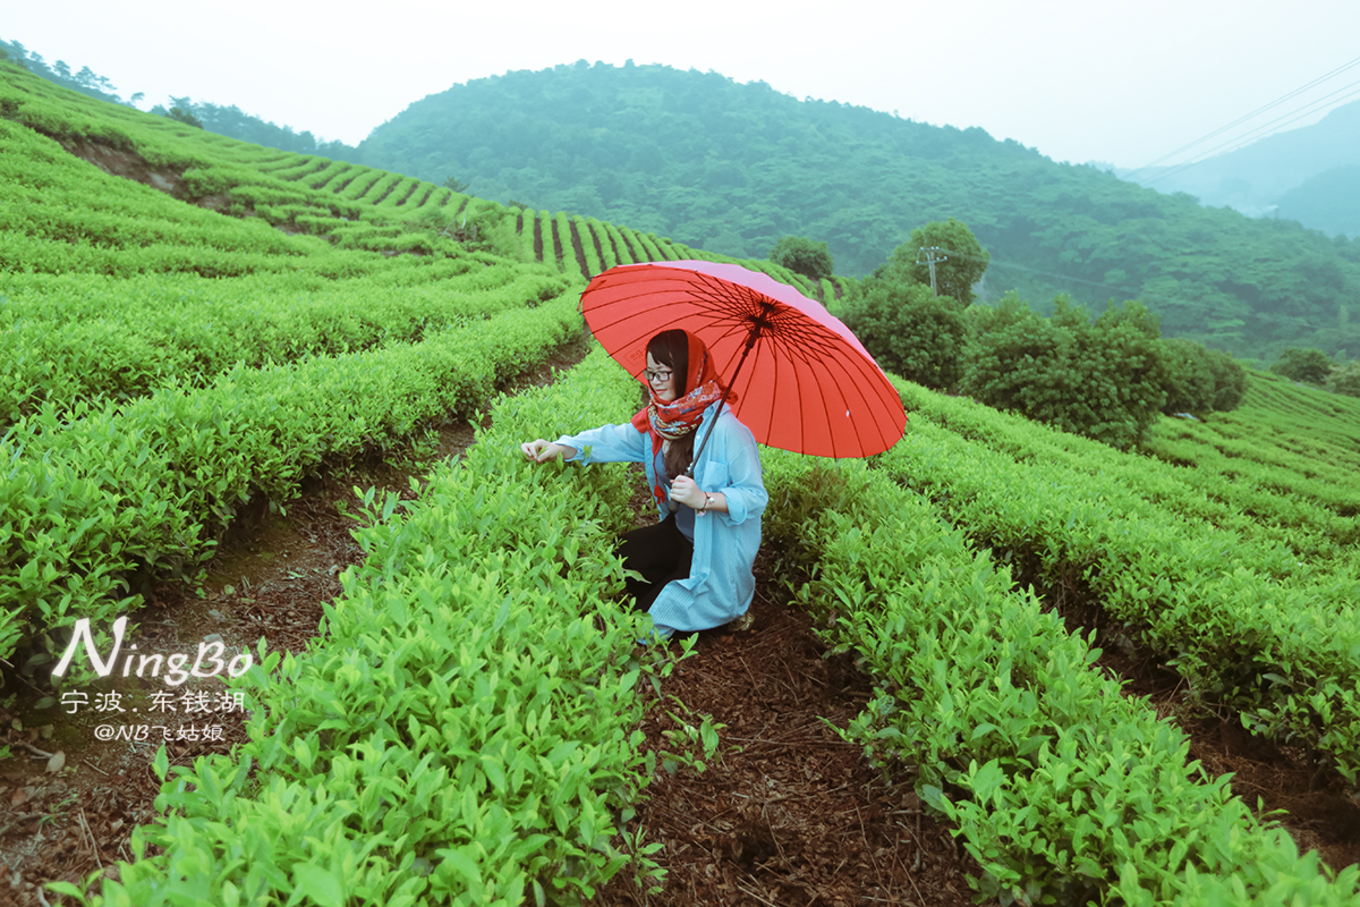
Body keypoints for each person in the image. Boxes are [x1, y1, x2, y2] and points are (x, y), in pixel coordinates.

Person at [520, 329, 767, 637]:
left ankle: (730, 609)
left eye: (665, 372)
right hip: (678, 534)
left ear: (690, 372)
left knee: (645, 626)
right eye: (651, 372)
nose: (656, 381)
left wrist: (704, 498)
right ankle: (671, 579)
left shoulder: (728, 431)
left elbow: (755, 496)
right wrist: (560, 446)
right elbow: (612, 439)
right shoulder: (661, 421)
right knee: (615, 559)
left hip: (713, 551)